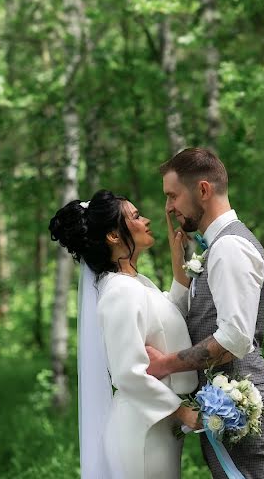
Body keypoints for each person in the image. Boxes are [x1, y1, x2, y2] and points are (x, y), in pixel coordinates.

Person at [147, 148, 264, 479]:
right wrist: (179, 266)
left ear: (203, 190)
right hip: (225, 403)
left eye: (172, 195)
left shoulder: (229, 248)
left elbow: (235, 337)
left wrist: (165, 364)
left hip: (241, 405)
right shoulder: (214, 248)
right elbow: (184, 316)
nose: (168, 208)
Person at [49, 189, 200, 479]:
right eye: (135, 216)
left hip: (157, 424)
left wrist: (177, 259)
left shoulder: (135, 282)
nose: (146, 220)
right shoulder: (120, 292)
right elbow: (127, 372)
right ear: (113, 236)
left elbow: (170, 318)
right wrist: (183, 413)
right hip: (142, 431)